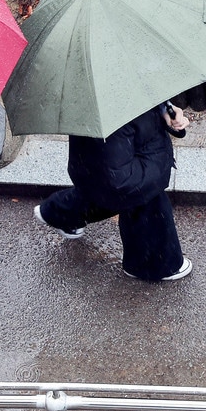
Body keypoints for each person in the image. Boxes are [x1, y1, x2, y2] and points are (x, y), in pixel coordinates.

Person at [34, 100, 192, 281]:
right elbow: (118, 181)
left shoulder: (99, 90)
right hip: (120, 154)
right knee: (142, 194)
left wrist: (166, 109)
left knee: (103, 190)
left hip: (117, 151)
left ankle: (59, 211)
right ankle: (152, 264)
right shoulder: (107, 106)